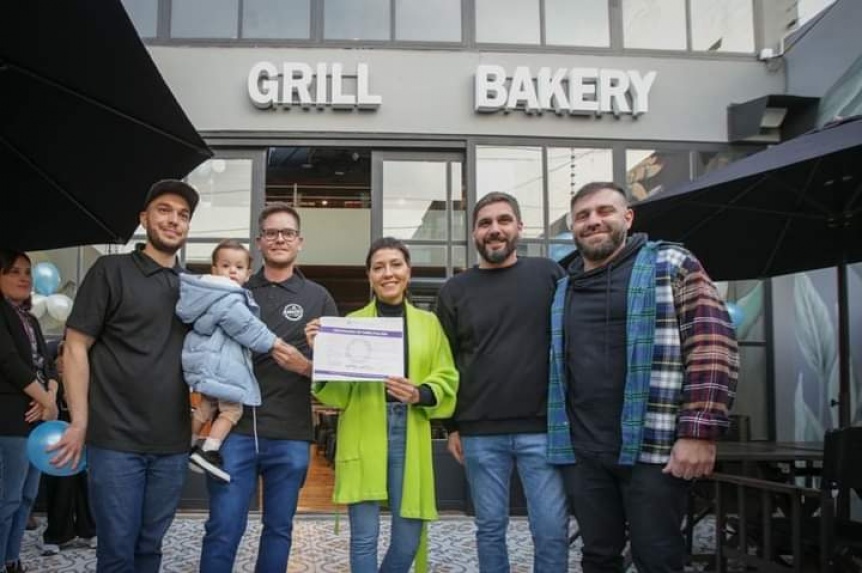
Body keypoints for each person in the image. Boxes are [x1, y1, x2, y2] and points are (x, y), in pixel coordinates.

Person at [547, 182, 739, 573]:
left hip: (654, 447)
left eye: (604, 211)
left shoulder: (670, 263)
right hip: (585, 450)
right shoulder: (565, 287)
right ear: (573, 226)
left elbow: (713, 345)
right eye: (583, 216)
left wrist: (698, 431)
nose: (593, 221)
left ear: (628, 218)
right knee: (598, 557)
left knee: (657, 556)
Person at [49, 179, 203, 573]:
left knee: (149, 549)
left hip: (171, 443)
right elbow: (75, 347)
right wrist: (80, 421)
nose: (174, 220)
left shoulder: (193, 289)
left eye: (183, 215)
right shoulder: (111, 270)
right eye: (164, 210)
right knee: (117, 551)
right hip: (115, 440)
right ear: (144, 218)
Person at [200, 203, 338, 573]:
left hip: (291, 434)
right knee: (223, 528)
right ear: (259, 242)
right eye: (271, 233)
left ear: (300, 241)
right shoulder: (236, 288)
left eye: (287, 233)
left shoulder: (318, 297)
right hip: (235, 431)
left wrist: (305, 366)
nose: (280, 239)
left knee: (279, 529)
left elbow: (337, 372)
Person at [307, 237, 459, 573]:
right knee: (364, 537)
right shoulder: (352, 323)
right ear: (369, 276)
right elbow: (337, 396)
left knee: (408, 538)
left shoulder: (429, 324)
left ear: (408, 271)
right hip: (363, 430)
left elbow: (447, 375)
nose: (387, 273)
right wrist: (324, 352)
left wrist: (421, 393)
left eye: (395, 264)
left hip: (410, 430)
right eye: (379, 267)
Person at [436, 193, 570, 572]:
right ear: (474, 233)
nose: (495, 229)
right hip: (479, 433)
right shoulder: (454, 291)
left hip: (542, 429)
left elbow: (570, 341)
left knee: (551, 530)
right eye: (485, 223)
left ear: (519, 228)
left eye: (504, 220)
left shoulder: (549, 275)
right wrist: (452, 426)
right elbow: (444, 363)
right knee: (489, 528)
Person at [177, 239, 294, 483]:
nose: (232, 271)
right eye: (226, 265)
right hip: (223, 362)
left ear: (248, 273)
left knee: (207, 404)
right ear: (214, 269)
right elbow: (247, 328)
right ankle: (209, 450)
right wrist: (275, 344)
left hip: (207, 360)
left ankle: (184, 444)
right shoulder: (228, 297)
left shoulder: (204, 293)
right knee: (232, 409)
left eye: (238, 267)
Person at [0, 249, 59, 573]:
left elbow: (48, 366)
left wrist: (50, 392)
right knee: (7, 499)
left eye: (27, 271)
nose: (24, 277)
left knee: (27, 495)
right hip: (11, 417)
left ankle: (12, 558)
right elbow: (9, 363)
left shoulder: (31, 318)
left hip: (39, 417)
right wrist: (47, 401)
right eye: (14, 271)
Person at [40, 337, 98, 556]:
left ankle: (89, 531)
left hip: (86, 437)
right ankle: (55, 535)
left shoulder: (87, 379)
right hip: (55, 439)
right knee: (60, 484)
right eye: (61, 360)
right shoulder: (50, 383)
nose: (65, 363)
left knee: (86, 483)